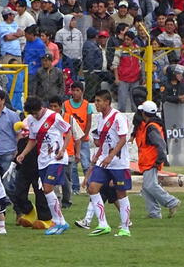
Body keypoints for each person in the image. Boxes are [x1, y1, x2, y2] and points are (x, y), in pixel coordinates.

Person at [16, 96, 72, 236]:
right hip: (42, 160)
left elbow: (69, 132)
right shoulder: (31, 120)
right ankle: (59, 221)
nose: (34, 116)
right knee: (46, 191)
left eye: (36, 112)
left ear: (41, 107)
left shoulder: (53, 117)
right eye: (32, 114)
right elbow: (33, 140)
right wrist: (23, 154)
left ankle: (58, 221)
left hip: (56, 158)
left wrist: (63, 149)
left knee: (47, 188)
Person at [84, 89, 132, 237]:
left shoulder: (118, 117)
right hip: (103, 161)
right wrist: (97, 158)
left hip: (118, 163)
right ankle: (103, 224)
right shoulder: (101, 119)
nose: (96, 104)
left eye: (99, 101)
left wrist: (111, 156)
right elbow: (103, 142)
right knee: (92, 187)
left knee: (121, 194)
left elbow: (123, 138)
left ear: (107, 102)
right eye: (95, 101)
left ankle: (125, 228)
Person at [134, 100, 181, 219]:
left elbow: (160, 144)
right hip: (149, 160)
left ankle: (171, 202)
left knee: (150, 186)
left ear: (144, 113)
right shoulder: (154, 125)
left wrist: (160, 159)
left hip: (151, 160)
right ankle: (154, 213)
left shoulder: (150, 127)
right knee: (146, 187)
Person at [112, 31, 141, 112]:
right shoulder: (120, 49)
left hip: (135, 78)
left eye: (128, 39)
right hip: (123, 79)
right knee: (122, 102)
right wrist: (116, 78)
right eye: (125, 39)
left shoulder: (137, 49)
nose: (126, 41)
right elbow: (115, 64)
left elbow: (139, 63)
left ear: (132, 40)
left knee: (135, 102)